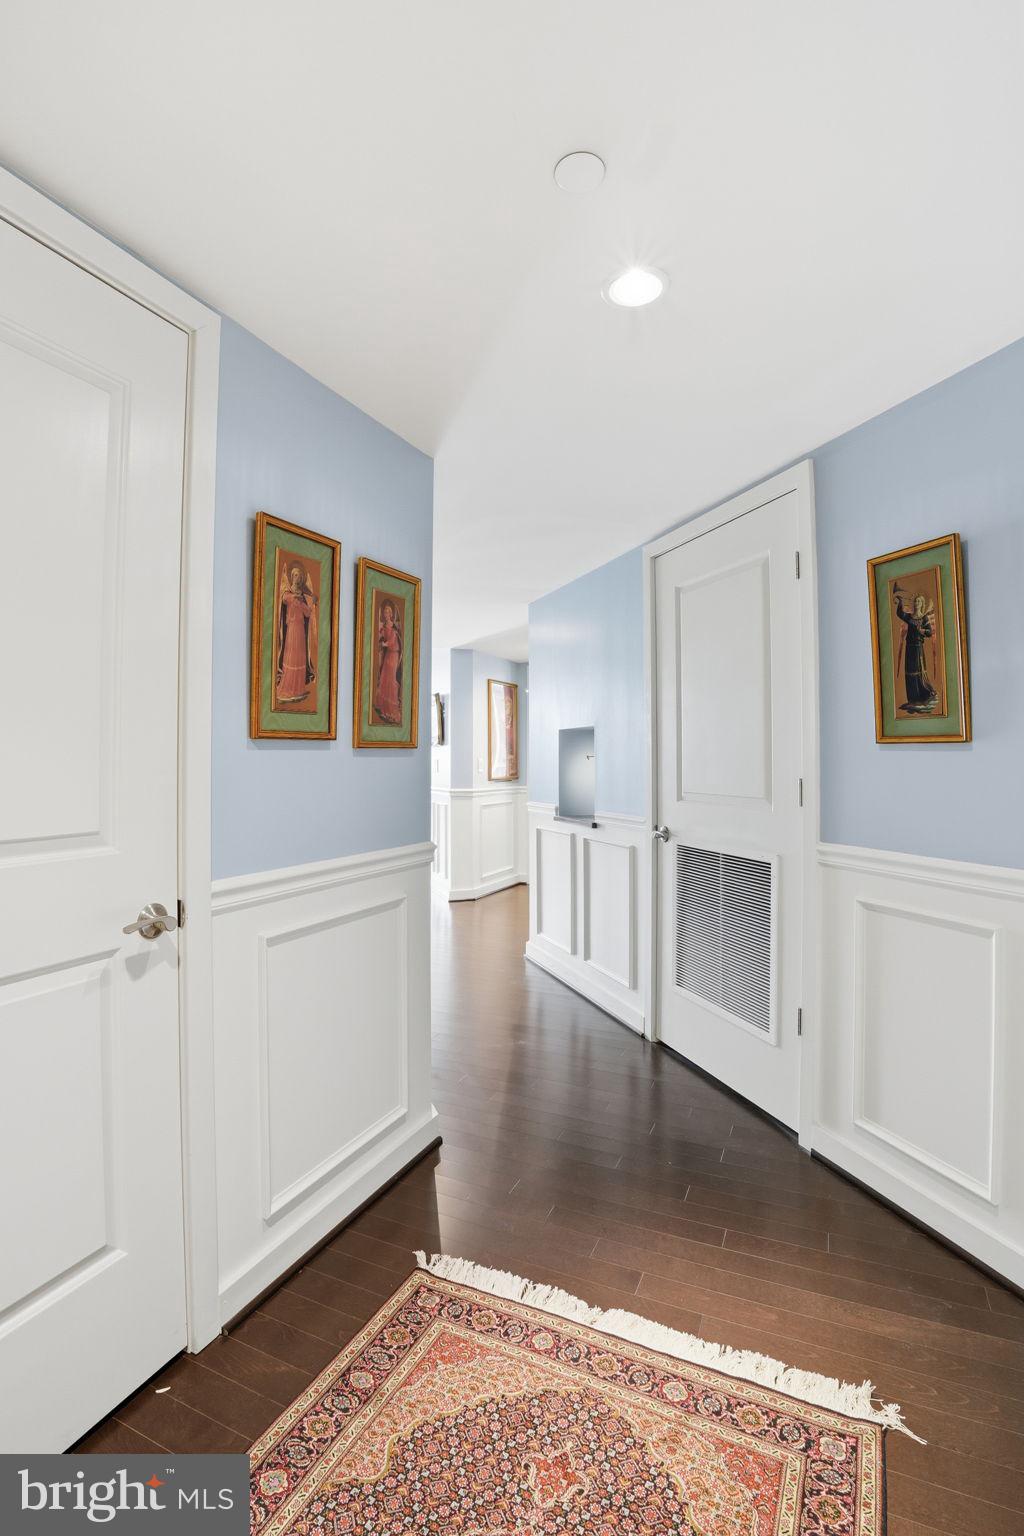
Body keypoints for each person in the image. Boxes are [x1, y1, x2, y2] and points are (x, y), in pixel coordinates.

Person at [276, 561, 317, 704]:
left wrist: (312, 602)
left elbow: (307, 613)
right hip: (292, 629)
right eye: (294, 575)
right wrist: (296, 598)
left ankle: (298, 689)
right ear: (291, 577)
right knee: (291, 657)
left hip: (301, 631)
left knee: (300, 658)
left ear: (301, 579)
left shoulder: (304, 596)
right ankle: (288, 689)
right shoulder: (288, 594)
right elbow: (285, 598)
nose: (296, 578)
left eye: (298, 576)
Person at [894, 588, 937, 713]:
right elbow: (900, 614)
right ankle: (912, 700)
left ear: (922, 604)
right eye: (916, 602)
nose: (917, 604)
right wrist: (900, 601)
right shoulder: (909, 617)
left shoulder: (924, 619)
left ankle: (922, 697)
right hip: (909, 648)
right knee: (909, 672)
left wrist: (923, 631)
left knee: (918, 672)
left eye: (919, 602)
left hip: (918, 648)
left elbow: (929, 632)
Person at [374, 599, 403, 723]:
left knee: (390, 680)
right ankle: (385, 710)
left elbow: (392, 642)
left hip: (393, 655)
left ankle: (392, 712)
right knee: (384, 678)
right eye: (384, 612)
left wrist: (383, 643)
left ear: (391, 614)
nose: (386, 614)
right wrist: (380, 641)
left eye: (388, 612)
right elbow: (380, 639)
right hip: (387, 656)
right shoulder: (383, 627)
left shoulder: (393, 627)